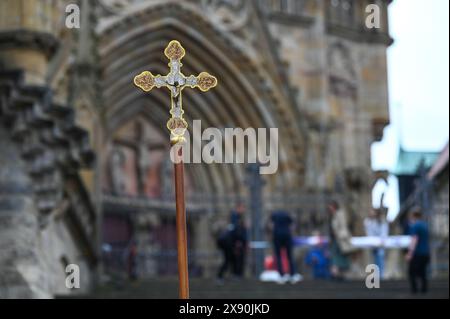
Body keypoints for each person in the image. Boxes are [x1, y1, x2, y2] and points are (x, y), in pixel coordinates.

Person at [270, 210, 301, 284]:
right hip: (287, 236)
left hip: (277, 236)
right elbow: (292, 225)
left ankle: (281, 275)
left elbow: (271, 225)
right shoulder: (287, 216)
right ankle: (292, 274)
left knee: (278, 256)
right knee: (289, 256)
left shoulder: (274, 215)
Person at [327, 200, 354, 280]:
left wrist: (339, 234)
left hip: (340, 239)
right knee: (335, 256)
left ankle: (339, 274)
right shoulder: (332, 215)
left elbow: (343, 226)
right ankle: (336, 273)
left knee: (340, 257)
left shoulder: (339, 214)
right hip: (335, 239)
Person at [406, 207, 430, 294]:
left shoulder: (415, 226)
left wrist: (410, 253)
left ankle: (414, 290)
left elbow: (414, 239)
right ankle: (424, 290)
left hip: (418, 253)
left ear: (413, 216)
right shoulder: (425, 225)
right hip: (426, 252)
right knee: (423, 272)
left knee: (411, 272)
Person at [364, 209, 389, 278]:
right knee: (372, 261)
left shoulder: (382, 222)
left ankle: (381, 277)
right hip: (371, 244)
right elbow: (369, 233)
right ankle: (372, 277)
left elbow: (384, 233)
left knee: (380, 260)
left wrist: (381, 241)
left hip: (380, 244)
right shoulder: (368, 222)